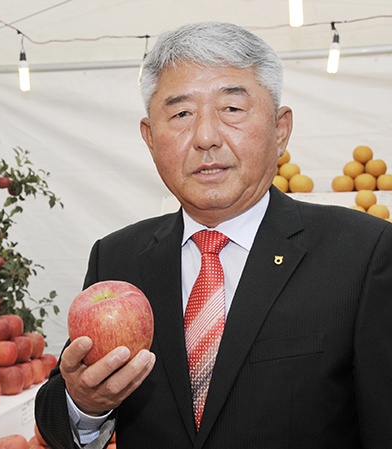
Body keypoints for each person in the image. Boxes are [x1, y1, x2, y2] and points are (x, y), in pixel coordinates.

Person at [35, 21, 392, 449]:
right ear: (150, 138)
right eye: (182, 114)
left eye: (232, 109)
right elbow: (58, 421)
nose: (205, 137)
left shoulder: (362, 253)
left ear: (280, 130)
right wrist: (84, 403)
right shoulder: (117, 259)